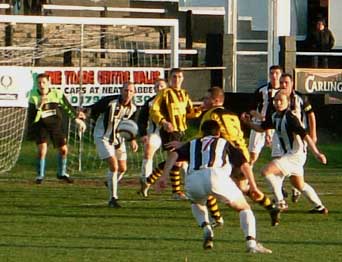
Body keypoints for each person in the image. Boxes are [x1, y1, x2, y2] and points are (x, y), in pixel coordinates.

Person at [156, 120, 272, 253]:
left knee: (197, 203)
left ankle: (206, 228)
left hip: (193, 179)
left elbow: (174, 154)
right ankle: (251, 244)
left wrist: (164, 176)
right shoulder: (224, 142)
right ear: (218, 133)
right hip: (216, 176)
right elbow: (244, 165)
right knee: (244, 208)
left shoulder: (193, 143)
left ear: (202, 132)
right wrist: (253, 186)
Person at [241, 90, 328, 226]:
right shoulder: (275, 116)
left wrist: (317, 153)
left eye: (281, 100)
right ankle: (320, 207)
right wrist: (248, 123)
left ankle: (280, 201)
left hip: (295, 154)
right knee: (299, 185)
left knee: (266, 171)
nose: (278, 103)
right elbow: (262, 128)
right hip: (293, 155)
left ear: (288, 102)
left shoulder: (290, 117)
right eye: (276, 101)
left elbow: (305, 136)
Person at [199, 87, 278, 226]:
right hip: (242, 153)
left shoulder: (210, 115)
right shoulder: (232, 115)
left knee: (208, 184)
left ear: (215, 100)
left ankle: (217, 219)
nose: (203, 101)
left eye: (206, 98)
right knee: (243, 188)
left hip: (227, 156)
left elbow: (205, 137)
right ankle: (271, 207)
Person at [139, 68, 201, 199]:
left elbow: (189, 112)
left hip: (182, 130)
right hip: (170, 130)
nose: (177, 79)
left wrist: (199, 110)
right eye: (174, 77)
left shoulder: (184, 94)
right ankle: (176, 192)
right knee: (176, 160)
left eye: (179, 77)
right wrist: (164, 122)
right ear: (169, 79)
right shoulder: (164, 93)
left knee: (175, 160)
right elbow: (154, 110)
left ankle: (148, 181)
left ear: (183, 79)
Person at [27, 73, 86, 184]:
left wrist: (76, 119)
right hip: (41, 126)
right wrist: (39, 107)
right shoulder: (33, 96)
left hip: (55, 125)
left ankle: (61, 173)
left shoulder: (57, 93)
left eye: (44, 82)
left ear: (49, 83)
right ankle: (40, 176)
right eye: (39, 83)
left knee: (63, 150)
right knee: (42, 151)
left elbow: (67, 107)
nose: (42, 85)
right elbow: (33, 119)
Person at [89, 82, 138, 208]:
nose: (128, 93)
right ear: (121, 91)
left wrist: (132, 139)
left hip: (118, 139)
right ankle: (113, 198)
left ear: (134, 93)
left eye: (131, 91)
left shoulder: (133, 108)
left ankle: (110, 181)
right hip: (103, 137)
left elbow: (130, 126)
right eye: (126, 90)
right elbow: (92, 109)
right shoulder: (110, 102)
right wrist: (84, 115)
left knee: (123, 168)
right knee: (114, 166)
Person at [278, 73, 318, 204]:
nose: (283, 85)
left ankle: (286, 192)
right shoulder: (277, 98)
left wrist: (313, 133)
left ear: (292, 83)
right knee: (279, 160)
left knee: (290, 162)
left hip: (299, 136)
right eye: (281, 82)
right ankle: (285, 189)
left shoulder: (300, 98)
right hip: (281, 135)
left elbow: (311, 115)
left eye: (286, 82)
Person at [248, 65, 282, 168]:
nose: (274, 76)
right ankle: (246, 178)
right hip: (259, 125)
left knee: (278, 155)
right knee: (253, 155)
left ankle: (277, 178)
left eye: (276, 73)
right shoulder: (262, 90)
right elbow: (251, 109)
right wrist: (260, 117)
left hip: (275, 126)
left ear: (281, 75)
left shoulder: (284, 92)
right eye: (271, 73)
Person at [137, 78, 167, 184]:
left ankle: (185, 182)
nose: (159, 88)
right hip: (156, 134)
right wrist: (143, 134)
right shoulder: (150, 103)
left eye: (161, 86)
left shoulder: (173, 102)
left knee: (180, 160)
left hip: (171, 135)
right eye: (157, 86)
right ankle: (146, 179)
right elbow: (142, 120)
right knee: (148, 150)